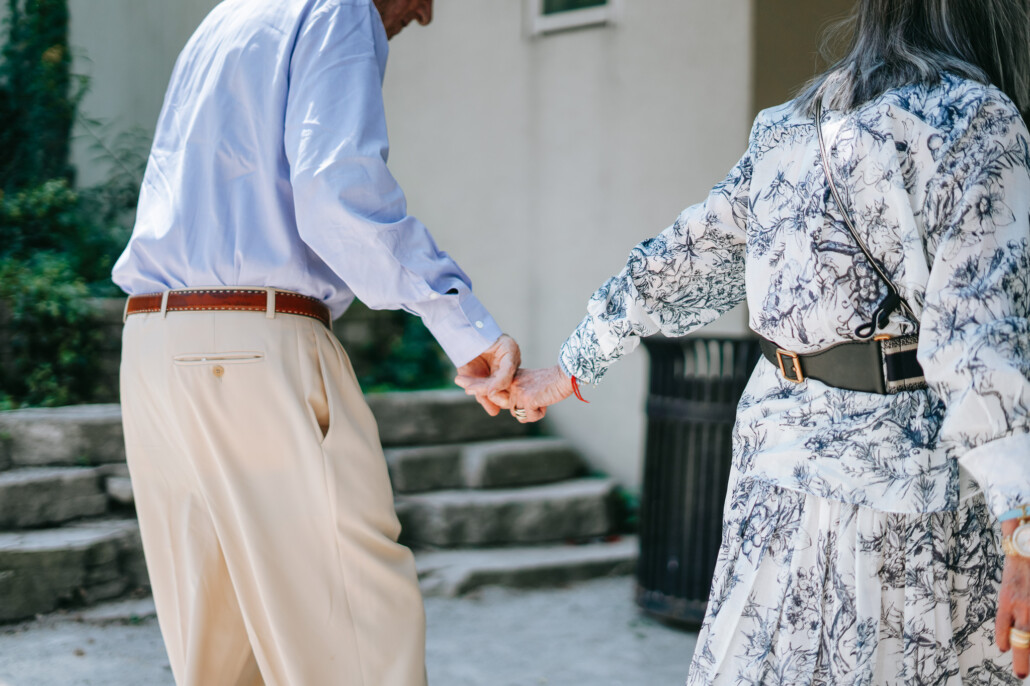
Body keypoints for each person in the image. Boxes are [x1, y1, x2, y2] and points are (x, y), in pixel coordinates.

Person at [468, 0, 1030, 682]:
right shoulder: (973, 120)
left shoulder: (793, 125)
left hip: (775, 474)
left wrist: (573, 363)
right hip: (903, 493)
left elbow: (685, 254)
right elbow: (978, 341)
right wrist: (1023, 534)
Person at [112, 0, 518, 684]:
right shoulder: (337, 8)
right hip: (251, 354)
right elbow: (335, 192)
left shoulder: (228, 18)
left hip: (154, 349)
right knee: (356, 644)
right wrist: (460, 322)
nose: (423, 14)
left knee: (219, 658)